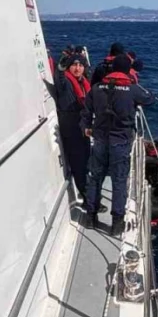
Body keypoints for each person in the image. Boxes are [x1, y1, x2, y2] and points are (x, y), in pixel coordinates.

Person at [80, 53, 156, 235]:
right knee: (119, 181)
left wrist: (86, 128)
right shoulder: (132, 89)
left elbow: (86, 112)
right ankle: (116, 224)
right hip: (120, 142)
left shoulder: (96, 88)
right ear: (126, 70)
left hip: (99, 139)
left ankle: (90, 217)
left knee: (95, 177)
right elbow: (149, 99)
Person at [55, 53, 103, 211]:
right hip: (71, 129)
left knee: (87, 164)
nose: (77, 68)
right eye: (74, 65)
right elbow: (59, 81)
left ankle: (91, 197)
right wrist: (60, 69)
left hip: (82, 128)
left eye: (80, 65)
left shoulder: (82, 82)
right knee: (79, 166)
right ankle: (91, 202)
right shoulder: (67, 81)